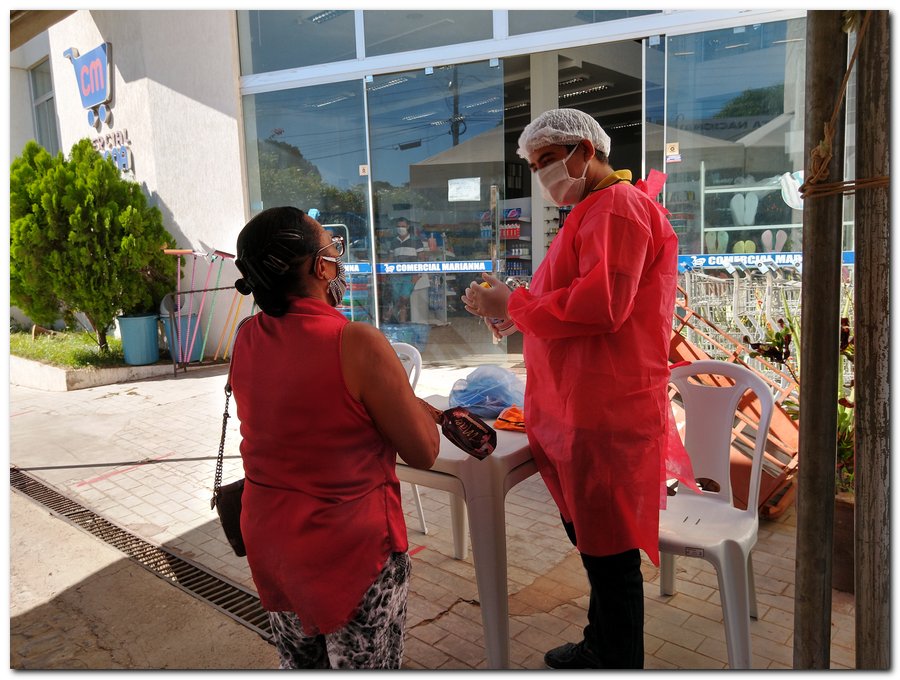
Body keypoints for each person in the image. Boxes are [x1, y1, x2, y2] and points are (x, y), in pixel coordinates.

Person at [461, 108, 694, 669]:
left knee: (610, 555)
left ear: (584, 152)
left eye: (547, 161)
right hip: (580, 405)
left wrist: (512, 304)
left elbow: (602, 306)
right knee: (595, 545)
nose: (543, 176)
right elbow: (568, 296)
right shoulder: (593, 211)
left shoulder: (618, 208)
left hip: (603, 408)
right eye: (535, 165)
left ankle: (615, 658)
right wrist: (511, 310)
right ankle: (602, 644)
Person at [230, 206, 440, 669]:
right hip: (351, 555)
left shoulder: (246, 336)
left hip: (273, 545)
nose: (338, 260)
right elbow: (424, 452)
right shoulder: (357, 342)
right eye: (332, 248)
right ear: (318, 267)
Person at [388, 217, 424, 323]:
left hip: (410, 275)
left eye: (403, 226)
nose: (400, 228)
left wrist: (418, 275)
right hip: (396, 276)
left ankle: (390, 313)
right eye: (398, 226)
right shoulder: (393, 242)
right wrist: (388, 273)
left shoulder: (416, 240)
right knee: (397, 299)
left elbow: (422, 258)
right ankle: (401, 323)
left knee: (404, 298)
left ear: (407, 227)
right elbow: (390, 259)